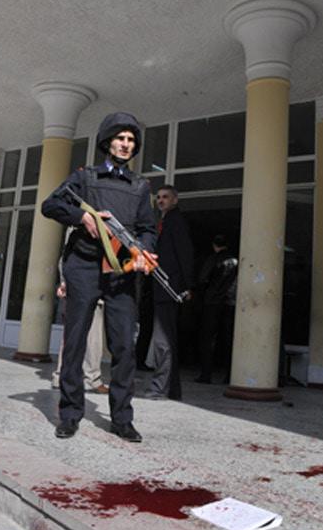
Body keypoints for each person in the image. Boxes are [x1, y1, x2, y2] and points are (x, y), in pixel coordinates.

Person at [42, 112, 157, 442]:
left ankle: (122, 418)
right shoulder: (85, 177)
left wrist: (143, 252)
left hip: (121, 273)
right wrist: (81, 217)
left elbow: (148, 229)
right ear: (108, 142)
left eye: (131, 140)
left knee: (124, 346)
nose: (126, 144)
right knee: (75, 342)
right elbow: (50, 205)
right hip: (84, 266)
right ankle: (70, 414)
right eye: (120, 138)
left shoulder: (140, 186)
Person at [145, 185, 194, 400]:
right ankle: (170, 389)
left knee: (163, 340)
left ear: (175, 200)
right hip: (161, 286)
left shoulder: (176, 222)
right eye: (158, 197)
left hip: (169, 287)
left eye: (165, 197)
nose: (161, 200)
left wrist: (187, 285)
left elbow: (185, 253)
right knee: (165, 339)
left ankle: (161, 388)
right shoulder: (163, 222)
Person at [195, 234, 237, 384]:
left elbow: (202, 278)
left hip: (212, 302)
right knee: (228, 340)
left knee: (208, 339)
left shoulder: (212, 259)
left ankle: (206, 374)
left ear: (214, 245)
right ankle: (230, 375)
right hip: (230, 303)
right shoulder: (235, 261)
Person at [52, 286, 109, 394]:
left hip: (76, 288)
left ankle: (61, 376)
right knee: (92, 333)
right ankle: (91, 379)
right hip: (88, 288)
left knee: (71, 333)